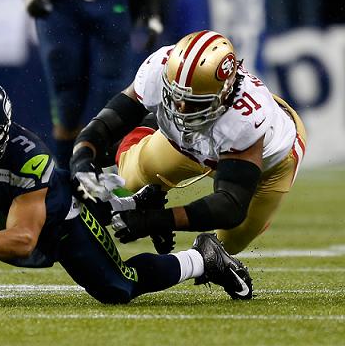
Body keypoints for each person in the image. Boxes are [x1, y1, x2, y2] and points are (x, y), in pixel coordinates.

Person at [0, 77, 253, 303]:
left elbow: (24, 239)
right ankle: (131, 204)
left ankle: (202, 258)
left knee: (118, 288)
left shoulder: (27, 156)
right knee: (93, 200)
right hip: (10, 210)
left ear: (1, 134)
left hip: (57, 219)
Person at [69, 30, 307, 256]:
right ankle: (150, 162)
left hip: (267, 167)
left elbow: (230, 206)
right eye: (176, 97)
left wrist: (152, 222)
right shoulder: (160, 66)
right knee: (130, 176)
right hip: (192, 145)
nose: (180, 109)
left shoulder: (246, 117)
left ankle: (151, 132)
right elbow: (109, 122)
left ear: (224, 94)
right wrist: (81, 157)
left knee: (227, 243)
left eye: (194, 103)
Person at [11, 0, 163, 169]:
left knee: (115, 99)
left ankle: (110, 179)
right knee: (67, 101)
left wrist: (151, 1)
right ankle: (68, 180)